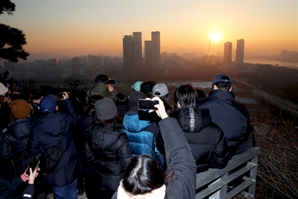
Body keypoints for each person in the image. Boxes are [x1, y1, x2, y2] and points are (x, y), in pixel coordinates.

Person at [112, 97, 196, 199]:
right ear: (160, 178)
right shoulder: (177, 193)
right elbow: (182, 157)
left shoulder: (117, 195)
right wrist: (164, 116)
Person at [28, 93, 79, 199]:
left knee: (60, 196)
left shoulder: (37, 128)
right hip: (71, 168)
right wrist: (67, 101)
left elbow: (32, 150)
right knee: (73, 193)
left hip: (54, 173)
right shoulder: (66, 120)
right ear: (56, 107)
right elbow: (74, 116)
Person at [82, 98, 132, 199]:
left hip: (98, 178)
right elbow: (127, 164)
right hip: (116, 182)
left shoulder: (90, 133)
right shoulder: (120, 137)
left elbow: (89, 157)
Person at [172, 84, 229, 173]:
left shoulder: (167, 128)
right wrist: (204, 166)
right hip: (204, 179)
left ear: (178, 104)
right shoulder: (215, 130)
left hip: (177, 180)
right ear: (196, 102)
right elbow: (220, 162)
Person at [198, 74, 255, 158]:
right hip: (231, 158)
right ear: (231, 89)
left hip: (204, 156)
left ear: (214, 87)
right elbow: (244, 136)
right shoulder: (242, 111)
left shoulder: (199, 105)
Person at [122, 91, 162, 166]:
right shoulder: (153, 124)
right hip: (149, 165)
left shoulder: (123, 122)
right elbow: (157, 150)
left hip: (132, 165)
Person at [0, 99, 34, 176]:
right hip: (36, 164)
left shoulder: (6, 134)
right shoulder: (36, 125)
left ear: (12, 114)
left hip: (18, 168)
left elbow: (4, 155)